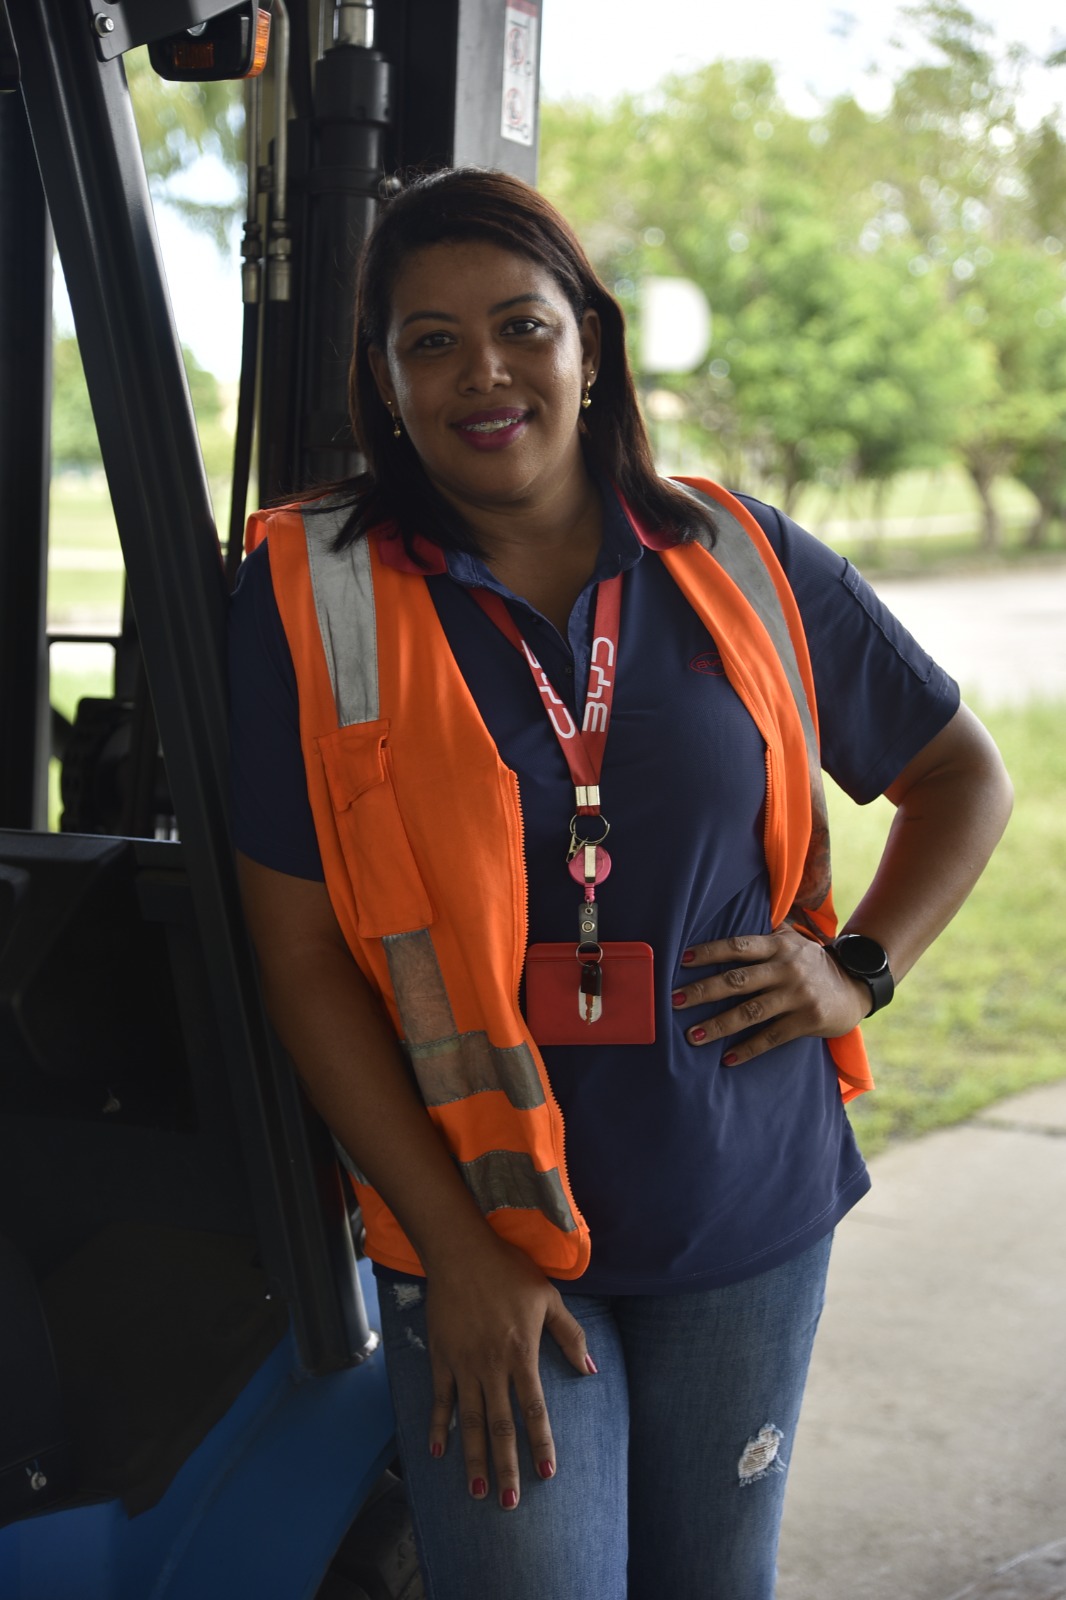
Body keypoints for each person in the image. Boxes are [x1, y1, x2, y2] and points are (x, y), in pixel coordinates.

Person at [228, 167, 1012, 1599]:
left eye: (522, 326)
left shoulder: (740, 553)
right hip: (481, 1221)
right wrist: (459, 1258)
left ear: (590, 344)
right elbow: (300, 960)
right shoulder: (307, 591)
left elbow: (962, 778)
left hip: (739, 1207)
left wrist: (859, 966)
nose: (485, 373)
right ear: (383, 380)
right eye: (431, 342)